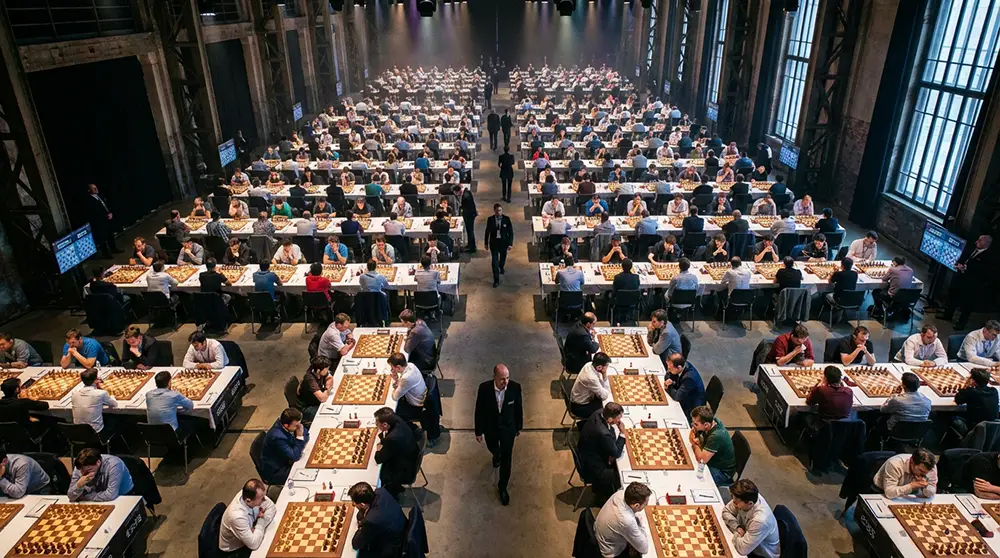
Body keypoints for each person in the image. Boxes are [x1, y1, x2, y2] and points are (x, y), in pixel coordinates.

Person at [474, 363, 523, 506]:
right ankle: (496, 455)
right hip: (491, 428)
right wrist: (478, 431)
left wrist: (519, 426)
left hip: (508, 429)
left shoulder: (514, 387)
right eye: (502, 378)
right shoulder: (484, 389)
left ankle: (503, 487)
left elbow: (518, 408)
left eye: (507, 378)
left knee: (507, 458)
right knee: (492, 446)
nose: (505, 382)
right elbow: (479, 410)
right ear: (494, 377)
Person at [943, 234, 995, 329]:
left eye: (980, 241)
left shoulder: (989, 257)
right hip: (960, 278)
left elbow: (985, 272)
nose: (976, 242)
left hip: (973, 284)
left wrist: (966, 268)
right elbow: (963, 258)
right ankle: (948, 314)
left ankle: (961, 323)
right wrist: (959, 264)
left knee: (967, 305)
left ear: (987, 243)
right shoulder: (972, 249)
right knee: (953, 296)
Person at [578, 402, 627, 502]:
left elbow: (610, 434)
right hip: (592, 467)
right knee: (620, 476)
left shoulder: (599, 412)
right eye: (618, 418)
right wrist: (622, 433)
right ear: (609, 419)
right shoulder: (603, 433)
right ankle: (604, 498)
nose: (619, 420)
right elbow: (617, 453)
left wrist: (611, 449)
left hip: (587, 453)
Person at [721, 479, 781, 558]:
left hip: (761, 555)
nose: (734, 503)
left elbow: (742, 550)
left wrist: (739, 533)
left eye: (736, 502)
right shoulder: (745, 497)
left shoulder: (760, 520)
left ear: (750, 503)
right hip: (747, 541)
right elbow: (726, 512)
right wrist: (737, 527)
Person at [218, 479, 276, 557]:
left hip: (249, 534)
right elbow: (254, 544)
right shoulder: (237, 516)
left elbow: (272, 507)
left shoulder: (251, 495)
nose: (265, 499)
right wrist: (261, 521)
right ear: (249, 501)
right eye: (262, 499)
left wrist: (256, 530)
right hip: (235, 551)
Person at [348, 481, 406, 558]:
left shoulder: (371, 520)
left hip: (394, 546)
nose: (353, 505)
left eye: (354, 503)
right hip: (402, 528)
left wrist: (362, 526)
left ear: (363, 504)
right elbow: (360, 515)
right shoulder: (381, 491)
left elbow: (356, 544)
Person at [372, 407, 419, 500]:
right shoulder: (395, 418)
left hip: (406, 469)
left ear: (385, 424)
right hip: (411, 454)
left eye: (377, 424)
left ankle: (392, 495)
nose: (376, 425)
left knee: (382, 475)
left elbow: (378, 459)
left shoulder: (392, 439)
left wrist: (378, 450)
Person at [594, 482, 652, 558]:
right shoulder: (626, 520)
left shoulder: (620, 494)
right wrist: (641, 524)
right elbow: (644, 548)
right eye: (646, 504)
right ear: (636, 505)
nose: (647, 505)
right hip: (609, 552)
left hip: (600, 535)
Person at [690, 405, 737, 486]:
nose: (693, 426)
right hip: (713, 461)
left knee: (692, 479)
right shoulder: (713, 421)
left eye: (696, 424)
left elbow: (701, 460)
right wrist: (696, 434)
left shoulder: (716, 436)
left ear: (706, 425)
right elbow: (694, 431)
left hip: (721, 472)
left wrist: (694, 444)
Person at [260, 408, 308, 485]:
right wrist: (299, 437)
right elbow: (295, 456)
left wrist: (300, 436)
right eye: (296, 426)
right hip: (277, 471)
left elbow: (306, 434)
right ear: (286, 425)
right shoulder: (277, 437)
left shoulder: (287, 424)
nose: (299, 427)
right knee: (305, 477)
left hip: (287, 460)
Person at [68, 449, 133, 502]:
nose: (83, 473)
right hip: (97, 498)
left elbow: (111, 495)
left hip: (122, 496)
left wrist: (85, 497)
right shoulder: (80, 466)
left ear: (98, 463)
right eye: (81, 470)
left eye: (89, 470)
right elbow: (71, 496)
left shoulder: (114, 464)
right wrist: (79, 484)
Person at [145, 370, 196, 434]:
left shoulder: (148, 395)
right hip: (171, 434)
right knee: (191, 421)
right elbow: (190, 405)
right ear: (169, 382)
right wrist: (179, 412)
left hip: (152, 434)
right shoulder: (173, 395)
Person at [874, 449, 938, 499]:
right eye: (921, 470)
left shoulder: (931, 468)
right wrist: (912, 485)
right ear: (912, 461)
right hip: (881, 491)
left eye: (926, 472)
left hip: (909, 494)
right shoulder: (895, 464)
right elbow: (889, 493)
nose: (924, 474)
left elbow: (931, 492)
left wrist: (926, 487)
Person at [71, 368, 118, 434]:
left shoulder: (74, 393)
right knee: (116, 419)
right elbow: (114, 404)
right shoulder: (101, 393)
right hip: (96, 433)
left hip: (77, 433)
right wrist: (111, 395)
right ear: (96, 380)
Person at [570, 352, 612, 419]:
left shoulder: (589, 364)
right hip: (579, 407)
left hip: (578, 398)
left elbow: (599, 386)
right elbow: (604, 395)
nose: (606, 368)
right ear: (599, 367)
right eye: (606, 366)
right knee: (607, 411)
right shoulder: (591, 378)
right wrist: (604, 374)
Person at [387, 353, 426, 421]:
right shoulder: (411, 365)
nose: (392, 370)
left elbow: (395, 397)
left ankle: (409, 427)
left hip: (416, 405)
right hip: (422, 396)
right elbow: (402, 384)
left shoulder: (406, 378)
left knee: (392, 414)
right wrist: (397, 379)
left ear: (398, 367)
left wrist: (394, 387)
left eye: (392, 367)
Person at [665, 353, 706, 417]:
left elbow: (677, 397)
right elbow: (667, 375)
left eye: (670, 368)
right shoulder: (683, 364)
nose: (668, 369)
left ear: (679, 368)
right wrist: (671, 381)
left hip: (692, 408)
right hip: (685, 397)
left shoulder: (689, 378)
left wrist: (668, 386)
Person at [296, 357, 333, 425]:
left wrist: (326, 389)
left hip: (316, 400)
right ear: (319, 370)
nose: (327, 370)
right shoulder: (310, 379)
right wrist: (327, 390)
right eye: (326, 369)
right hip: (308, 407)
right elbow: (322, 399)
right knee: (330, 417)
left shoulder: (317, 369)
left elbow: (330, 378)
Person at [85, 184, 119, 257]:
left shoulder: (100, 196)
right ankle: (106, 254)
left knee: (110, 235)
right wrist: (105, 216)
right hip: (100, 222)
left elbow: (106, 205)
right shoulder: (89, 201)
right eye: (93, 188)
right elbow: (94, 212)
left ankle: (113, 249)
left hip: (108, 219)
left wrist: (110, 213)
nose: (96, 189)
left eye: (96, 187)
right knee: (103, 238)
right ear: (89, 190)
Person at [485, 203, 514, 288]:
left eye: (500, 210)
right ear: (494, 211)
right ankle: (496, 280)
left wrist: (510, 244)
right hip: (494, 243)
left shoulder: (506, 219)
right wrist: (486, 243)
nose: (499, 212)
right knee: (494, 262)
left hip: (503, 243)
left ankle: (501, 266)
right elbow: (487, 232)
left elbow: (511, 232)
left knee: (502, 258)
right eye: (497, 211)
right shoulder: (490, 219)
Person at [458, 184, 478, 253]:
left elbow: (465, 207)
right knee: (469, 231)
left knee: (470, 231)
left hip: (469, 215)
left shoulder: (465, 196)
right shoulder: (467, 192)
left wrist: (461, 209)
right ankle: (470, 245)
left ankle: (472, 248)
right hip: (471, 213)